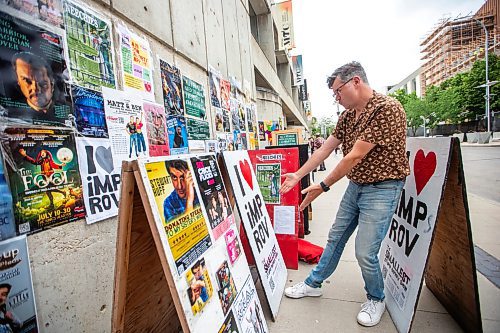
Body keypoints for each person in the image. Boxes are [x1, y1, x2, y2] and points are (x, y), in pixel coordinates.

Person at [280, 61, 410, 327]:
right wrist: (298, 174)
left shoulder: (387, 109)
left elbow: (355, 155)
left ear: (355, 82)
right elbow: (324, 150)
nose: (336, 98)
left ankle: (376, 297)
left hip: (383, 187)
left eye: (338, 91)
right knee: (336, 237)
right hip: (357, 186)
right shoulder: (348, 116)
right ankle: (314, 283)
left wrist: (323, 185)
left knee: (365, 251)